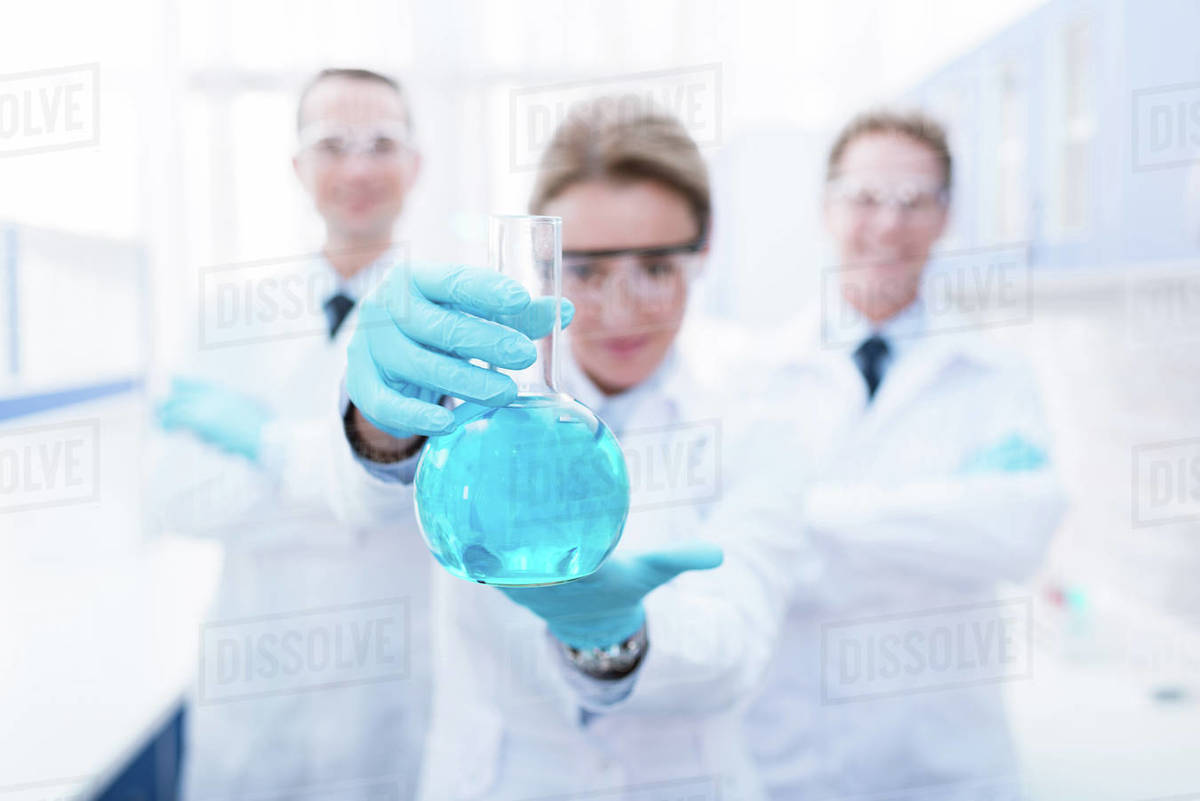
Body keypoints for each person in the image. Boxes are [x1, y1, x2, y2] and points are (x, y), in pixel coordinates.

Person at [331, 98, 812, 801]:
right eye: (586, 270)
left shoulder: (759, 413)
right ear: (543, 266)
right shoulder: (469, 396)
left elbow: (737, 645)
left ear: (703, 251)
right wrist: (382, 425)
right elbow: (360, 501)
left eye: (655, 267)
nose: (620, 305)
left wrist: (616, 636)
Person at [742, 109, 1067, 801]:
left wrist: (813, 514)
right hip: (795, 759)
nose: (888, 226)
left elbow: (1012, 536)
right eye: (864, 199)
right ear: (826, 208)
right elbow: (754, 551)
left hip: (949, 762)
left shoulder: (997, 375)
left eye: (914, 201)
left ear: (946, 216)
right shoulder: (757, 375)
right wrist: (933, 526)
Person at [151, 68, 431, 800]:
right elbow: (177, 496)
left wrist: (265, 445)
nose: (359, 167)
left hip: (393, 691)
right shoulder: (228, 313)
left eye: (382, 143)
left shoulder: (438, 319)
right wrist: (342, 482)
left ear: (416, 164)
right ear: (297, 167)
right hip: (256, 693)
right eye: (332, 144)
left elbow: (422, 502)